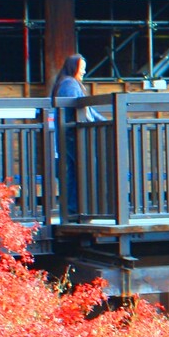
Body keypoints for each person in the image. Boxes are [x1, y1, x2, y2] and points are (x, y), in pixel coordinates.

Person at [48, 53, 103, 218]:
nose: (84, 72)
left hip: (68, 133)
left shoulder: (65, 82)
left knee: (73, 170)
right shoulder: (70, 83)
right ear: (74, 67)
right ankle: (78, 208)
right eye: (82, 68)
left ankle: (73, 209)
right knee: (82, 168)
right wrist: (103, 121)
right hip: (73, 134)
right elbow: (80, 107)